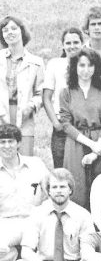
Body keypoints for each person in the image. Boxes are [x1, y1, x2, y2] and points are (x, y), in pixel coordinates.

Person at [12, 169, 90, 261]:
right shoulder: (37, 213)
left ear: (70, 190)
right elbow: (26, 251)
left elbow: (88, 254)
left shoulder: (83, 215)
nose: (59, 190)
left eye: (63, 187)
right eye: (54, 187)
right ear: (48, 191)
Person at [59, 48, 101, 209]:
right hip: (76, 142)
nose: (85, 70)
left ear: (96, 67)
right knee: (77, 187)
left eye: (90, 65)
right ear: (74, 67)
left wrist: (99, 147)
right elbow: (66, 124)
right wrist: (92, 145)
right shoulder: (66, 92)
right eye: (81, 65)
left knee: (100, 185)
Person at [0, 123, 48, 261]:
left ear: (19, 143)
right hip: (6, 223)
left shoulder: (36, 164)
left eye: (11, 141)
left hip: (33, 221)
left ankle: (20, 257)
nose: (7, 146)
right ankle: (17, 255)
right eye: (2, 142)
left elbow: (51, 192)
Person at [0, 15, 44, 156]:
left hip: (24, 116)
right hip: (2, 113)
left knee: (25, 162)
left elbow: (41, 93)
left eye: (14, 28)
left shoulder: (36, 62)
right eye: (5, 30)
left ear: (22, 31)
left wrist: (31, 106)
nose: (10, 32)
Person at [43, 28, 84, 168]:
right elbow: (46, 97)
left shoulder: (88, 65)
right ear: (63, 45)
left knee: (83, 169)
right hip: (62, 126)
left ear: (83, 44)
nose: (72, 46)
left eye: (76, 42)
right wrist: (55, 123)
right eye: (68, 43)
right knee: (60, 168)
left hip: (83, 126)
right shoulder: (55, 64)